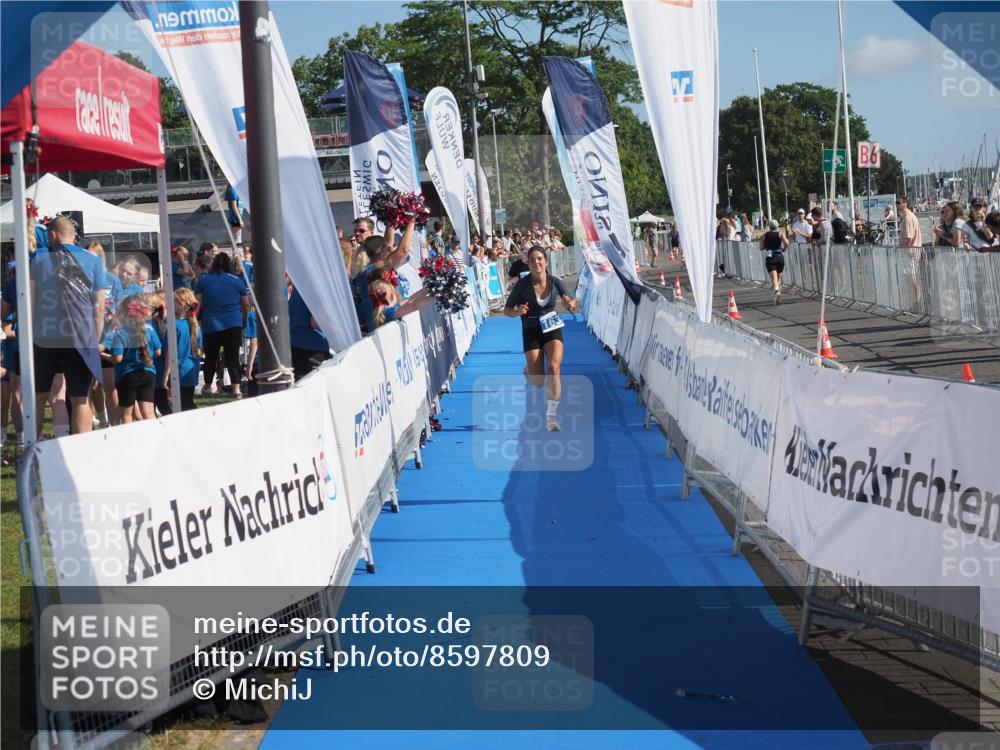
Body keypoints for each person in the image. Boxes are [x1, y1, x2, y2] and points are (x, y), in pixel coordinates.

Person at [30, 216, 106, 437]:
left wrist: (32, 332)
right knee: (80, 397)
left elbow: (31, 300)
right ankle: (82, 448)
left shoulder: (38, 258)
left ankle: (34, 446)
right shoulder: (94, 260)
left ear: (53, 235)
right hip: (81, 336)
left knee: (39, 396)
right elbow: (99, 306)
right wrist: (95, 339)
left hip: (45, 335)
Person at [504, 246, 577, 432]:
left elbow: (572, 304)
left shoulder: (556, 282)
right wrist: (518, 312)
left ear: (546, 261)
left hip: (552, 327)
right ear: (528, 263)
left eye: (539, 259)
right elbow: (507, 310)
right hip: (531, 329)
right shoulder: (522, 285)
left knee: (554, 368)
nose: (536, 262)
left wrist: (569, 304)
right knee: (538, 381)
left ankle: (551, 416)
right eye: (532, 260)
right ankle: (530, 369)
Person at [194, 252, 250, 397]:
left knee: (210, 357)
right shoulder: (237, 281)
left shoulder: (203, 281)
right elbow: (246, 305)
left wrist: (194, 321)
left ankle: (207, 386)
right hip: (233, 323)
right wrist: (244, 320)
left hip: (211, 324)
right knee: (233, 357)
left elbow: (197, 304)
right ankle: (236, 389)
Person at [109, 296, 161, 424]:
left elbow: (118, 358)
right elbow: (158, 352)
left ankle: (130, 436)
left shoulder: (120, 332)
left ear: (123, 314)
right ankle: (155, 434)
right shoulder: (150, 329)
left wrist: (107, 357)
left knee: (126, 414)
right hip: (148, 373)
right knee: (149, 412)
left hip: (127, 375)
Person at [288, 283, 331, 381]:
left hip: (294, 344)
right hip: (314, 349)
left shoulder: (298, 286)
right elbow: (315, 322)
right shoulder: (319, 287)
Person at [171, 288, 202, 411]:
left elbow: (169, 350)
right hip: (191, 370)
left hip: (179, 371)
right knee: (188, 402)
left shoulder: (176, 325)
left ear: (181, 304)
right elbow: (199, 348)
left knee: (181, 406)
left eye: (173, 302)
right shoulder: (195, 326)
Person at [759, 219, 789, 304]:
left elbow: (761, 248)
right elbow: (787, 242)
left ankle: (776, 291)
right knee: (779, 278)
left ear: (769, 226)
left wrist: (768, 246)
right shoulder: (780, 234)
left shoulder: (764, 235)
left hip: (770, 258)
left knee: (774, 279)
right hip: (779, 257)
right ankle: (778, 297)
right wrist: (784, 249)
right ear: (777, 226)